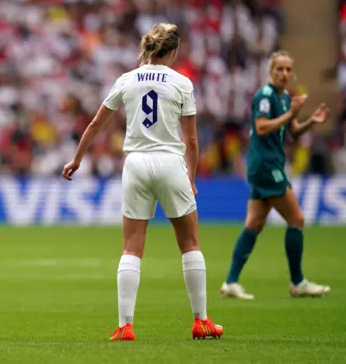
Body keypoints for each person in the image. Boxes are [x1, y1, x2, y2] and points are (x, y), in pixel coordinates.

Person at [62, 23, 224, 341]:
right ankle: (201, 321)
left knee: (131, 248)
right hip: (169, 163)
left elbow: (96, 122)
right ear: (173, 51)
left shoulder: (127, 79)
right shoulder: (181, 83)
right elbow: (191, 140)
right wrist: (190, 178)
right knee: (189, 244)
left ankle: (125, 325)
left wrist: (78, 158)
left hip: (135, 164)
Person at [220, 50, 331, 300]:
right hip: (267, 166)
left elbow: (292, 131)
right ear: (270, 71)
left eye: (288, 70)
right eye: (279, 69)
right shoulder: (266, 96)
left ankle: (230, 282)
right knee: (297, 219)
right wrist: (291, 114)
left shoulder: (283, 97)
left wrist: (311, 121)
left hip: (266, 165)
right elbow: (261, 128)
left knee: (254, 224)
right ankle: (297, 282)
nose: (284, 74)